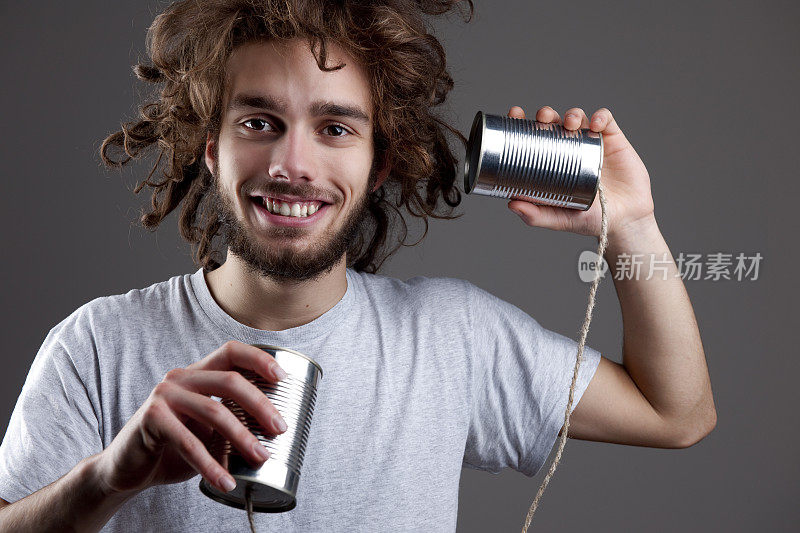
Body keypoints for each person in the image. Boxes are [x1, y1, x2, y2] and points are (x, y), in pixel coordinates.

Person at [0, 1, 716, 531]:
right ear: (210, 150)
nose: (292, 165)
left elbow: (677, 412)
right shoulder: (98, 345)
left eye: (335, 127)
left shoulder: (449, 337)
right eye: (258, 123)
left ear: (380, 165)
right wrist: (108, 477)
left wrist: (632, 224)